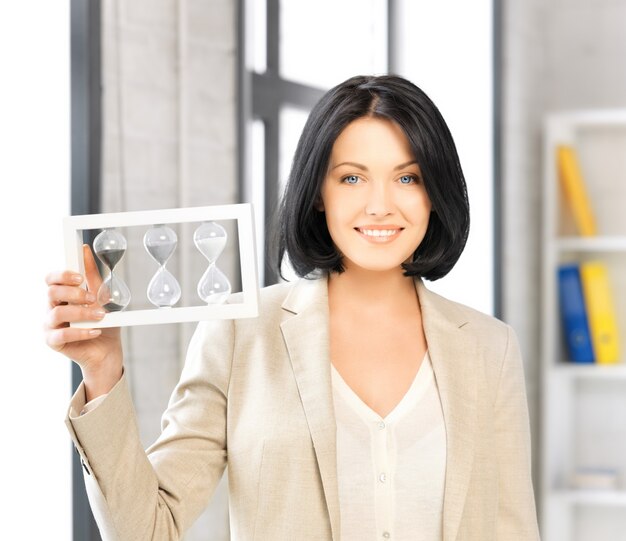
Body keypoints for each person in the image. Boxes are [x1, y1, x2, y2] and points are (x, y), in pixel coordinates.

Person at [45, 75, 540, 540]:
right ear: (319, 193)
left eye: (407, 179)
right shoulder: (240, 332)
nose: (380, 205)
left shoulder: (488, 348)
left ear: (435, 193)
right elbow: (146, 528)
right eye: (352, 179)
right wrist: (103, 370)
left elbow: (512, 528)